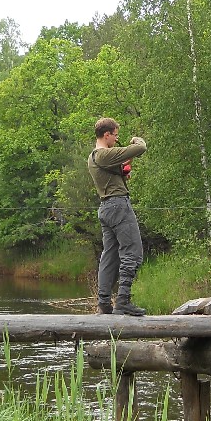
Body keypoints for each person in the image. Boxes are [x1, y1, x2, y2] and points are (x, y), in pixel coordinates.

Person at [87, 117, 148, 316]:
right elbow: (140, 148)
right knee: (133, 252)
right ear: (107, 135)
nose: (116, 138)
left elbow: (119, 169)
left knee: (110, 256)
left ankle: (104, 303)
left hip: (106, 208)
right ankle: (123, 301)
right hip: (118, 206)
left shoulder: (93, 157)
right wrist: (136, 140)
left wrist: (123, 171)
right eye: (115, 135)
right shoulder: (104, 154)